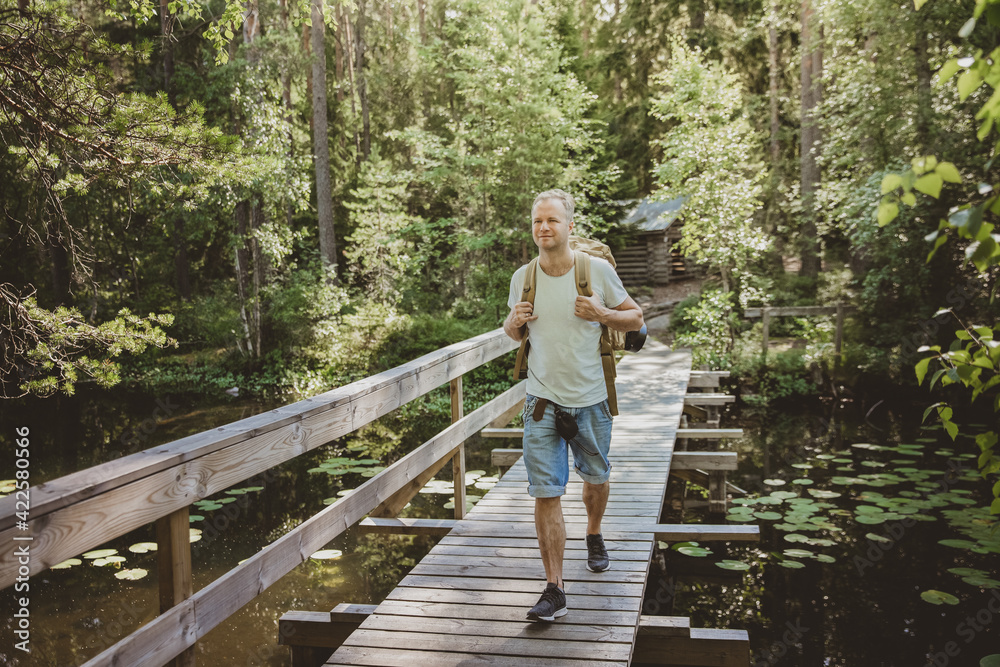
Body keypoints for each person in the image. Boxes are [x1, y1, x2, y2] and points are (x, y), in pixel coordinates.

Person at [503, 189, 644, 622]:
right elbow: (512, 333)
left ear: (569, 226)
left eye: (552, 221)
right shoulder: (522, 278)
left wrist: (601, 313)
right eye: (537, 221)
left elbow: (636, 318)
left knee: (596, 478)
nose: (543, 228)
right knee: (546, 493)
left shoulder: (596, 271)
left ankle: (595, 532)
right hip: (542, 402)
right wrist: (513, 322)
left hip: (591, 401)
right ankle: (554, 587)